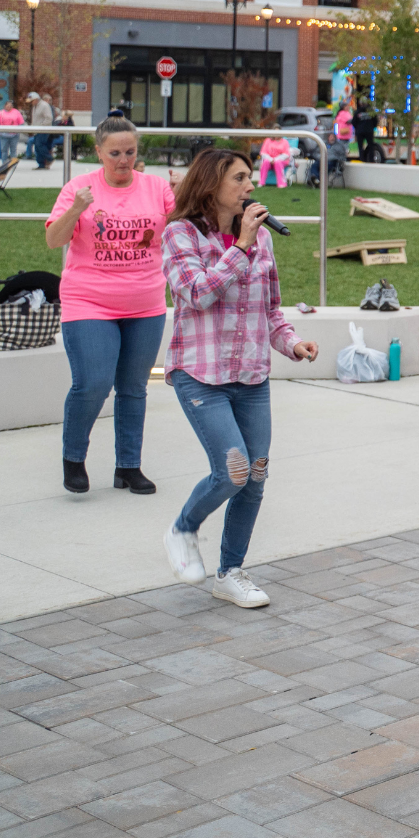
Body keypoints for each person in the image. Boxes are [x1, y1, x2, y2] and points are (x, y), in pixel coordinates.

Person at [159, 148, 321, 608]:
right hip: (201, 374)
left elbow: (270, 311)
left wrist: (292, 344)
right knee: (232, 471)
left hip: (251, 376)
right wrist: (241, 247)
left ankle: (230, 572)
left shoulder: (262, 242)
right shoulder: (180, 235)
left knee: (256, 475)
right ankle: (183, 529)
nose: (251, 187)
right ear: (211, 186)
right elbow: (196, 294)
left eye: (250, 178)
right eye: (240, 179)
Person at [44, 117, 177, 495]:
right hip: (89, 301)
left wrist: (183, 198)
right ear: (99, 152)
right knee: (93, 384)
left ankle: (128, 468)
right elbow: (54, 239)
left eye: (130, 152)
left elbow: (185, 227)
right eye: (115, 153)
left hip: (145, 302)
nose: (123, 160)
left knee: (134, 387)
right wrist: (75, 209)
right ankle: (73, 459)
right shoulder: (78, 188)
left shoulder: (157, 187)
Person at [0, 100, 25, 169]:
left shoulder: (16, 112)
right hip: (3, 135)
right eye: (7, 105)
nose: (9, 107)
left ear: (12, 106)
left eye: (10, 106)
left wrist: (19, 130)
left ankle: (13, 164)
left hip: (14, 135)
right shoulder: (0, 113)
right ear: (4, 106)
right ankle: (4, 164)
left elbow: (21, 123)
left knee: (13, 150)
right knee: (4, 150)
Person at [29, 93, 56, 169]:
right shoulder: (35, 106)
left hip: (44, 130)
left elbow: (49, 118)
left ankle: (49, 158)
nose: (31, 103)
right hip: (37, 130)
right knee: (37, 147)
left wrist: (41, 126)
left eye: (32, 101)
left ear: (36, 99)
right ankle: (41, 164)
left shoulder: (44, 105)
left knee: (39, 144)